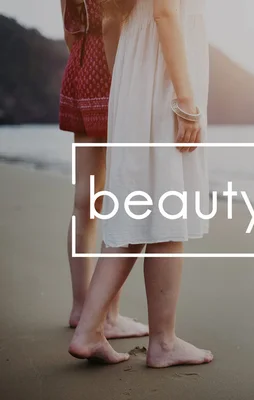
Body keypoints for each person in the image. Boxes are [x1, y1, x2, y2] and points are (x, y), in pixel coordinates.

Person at [68, 0, 214, 368]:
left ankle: (88, 331)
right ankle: (163, 342)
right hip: (160, 84)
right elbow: (165, 14)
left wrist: (130, 93)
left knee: (137, 211)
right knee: (165, 208)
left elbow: (112, 22)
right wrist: (185, 101)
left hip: (138, 78)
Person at [59, 0, 149, 339]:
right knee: (116, 196)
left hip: (78, 70)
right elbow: (112, 23)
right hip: (109, 75)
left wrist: (85, 61)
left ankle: (80, 307)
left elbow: (70, 30)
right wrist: (118, 80)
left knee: (85, 196)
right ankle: (108, 316)